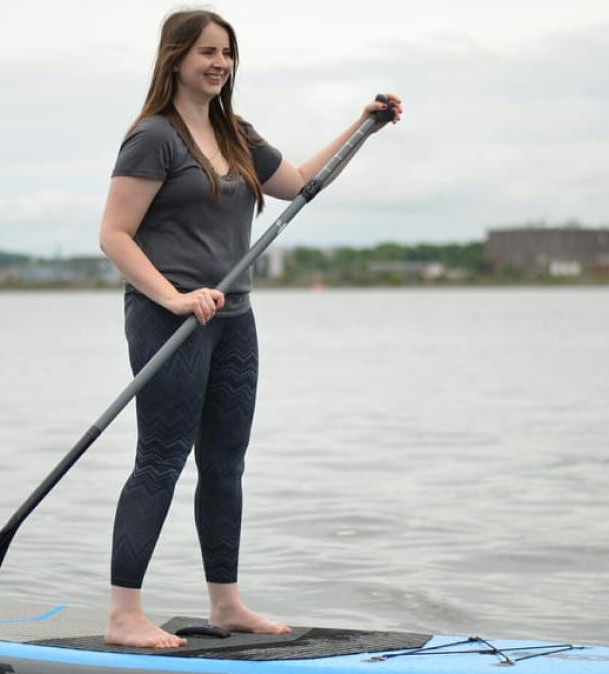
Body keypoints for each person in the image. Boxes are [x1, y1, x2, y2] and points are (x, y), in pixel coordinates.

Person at [98, 9, 402, 649]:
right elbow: (115, 236)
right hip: (168, 319)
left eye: (228, 53)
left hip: (234, 318)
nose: (220, 63)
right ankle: (124, 614)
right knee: (161, 459)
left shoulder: (235, 133)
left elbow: (300, 183)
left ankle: (227, 604)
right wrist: (175, 297)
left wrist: (364, 127)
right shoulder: (154, 137)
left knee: (225, 464)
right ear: (176, 57)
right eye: (207, 52)